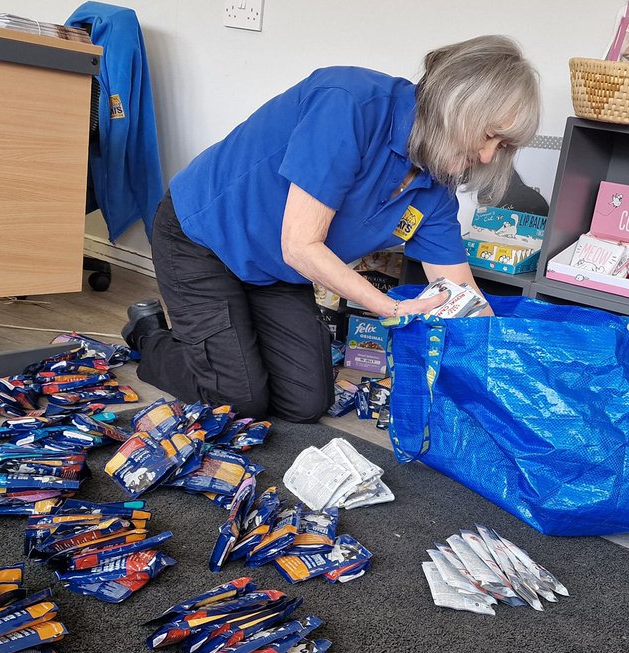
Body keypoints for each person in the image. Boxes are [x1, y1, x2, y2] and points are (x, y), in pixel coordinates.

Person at [122, 35, 540, 423]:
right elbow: (302, 246)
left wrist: (511, 382)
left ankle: (222, 342)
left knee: (305, 402)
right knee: (241, 399)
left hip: (275, 273)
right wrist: (390, 308)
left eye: (502, 147)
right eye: (487, 137)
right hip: (203, 240)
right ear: (455, 106)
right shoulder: (348, 104)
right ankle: (149, 336)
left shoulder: (435, 188)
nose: (487, 157)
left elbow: (463, 297)